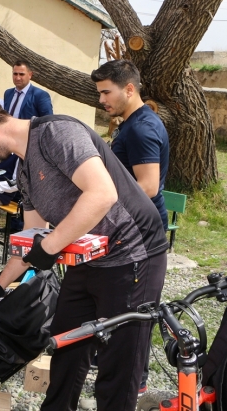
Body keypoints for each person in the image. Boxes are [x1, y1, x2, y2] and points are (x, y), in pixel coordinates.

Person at [0, 93, 168, 411]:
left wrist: (50, 248)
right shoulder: (24, 169)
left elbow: (102, 194)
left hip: (133, 254)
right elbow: (31, 239)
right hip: (86, 257)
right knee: (66, 347)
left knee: (117, 366)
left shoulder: (57, 133)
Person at [92, 59, 170, 395]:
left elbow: (149, 185)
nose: (101, 100)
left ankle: (133, 382)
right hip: (130, 229)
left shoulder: (141, 128)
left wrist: (100, 195)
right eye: (99, 93)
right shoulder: (131, 123)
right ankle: (118, 367)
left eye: (106, 92)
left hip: (141, 234)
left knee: (134, 310)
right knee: (120, 304)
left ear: (129, 88)